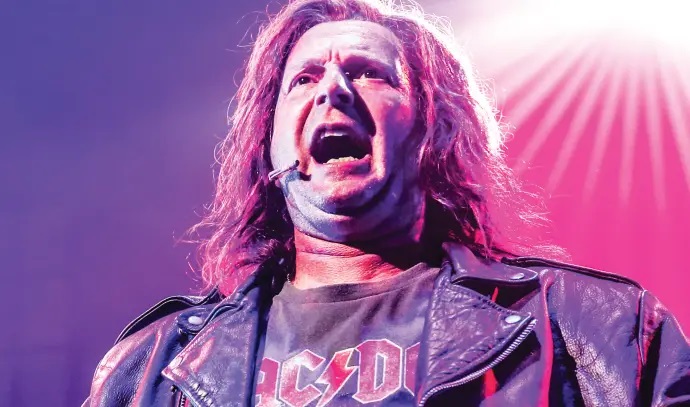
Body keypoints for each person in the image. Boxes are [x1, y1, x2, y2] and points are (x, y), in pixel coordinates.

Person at [83, 0, 690, 405]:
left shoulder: (591, 327)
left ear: (434, 131)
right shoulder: (156, 366)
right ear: (268, 145)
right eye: (304, 79)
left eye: (370, 73)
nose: (333, 90)